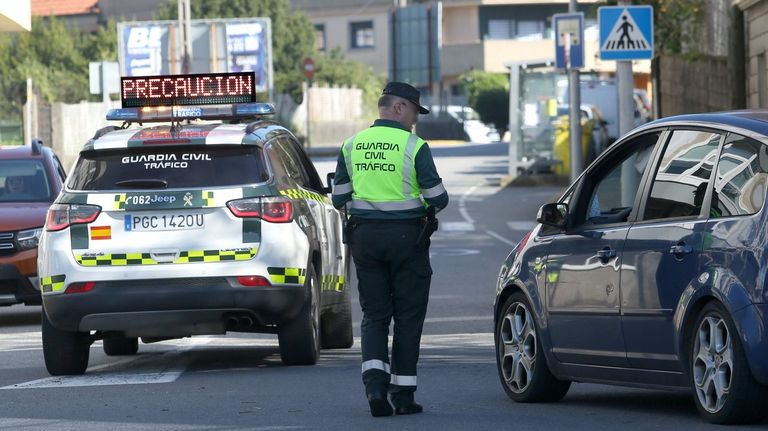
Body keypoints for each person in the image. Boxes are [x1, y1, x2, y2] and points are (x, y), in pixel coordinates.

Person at [332, 82, 449, 417]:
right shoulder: (414, 146)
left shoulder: (352, 145)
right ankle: (404, 395)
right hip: (407, 241)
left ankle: (374, 389)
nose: (415, 119)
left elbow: (339, 197)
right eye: (414, 110)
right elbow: (438, 198)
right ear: (398, 108)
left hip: (365, 239)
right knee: (408, 317)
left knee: (374, 315)